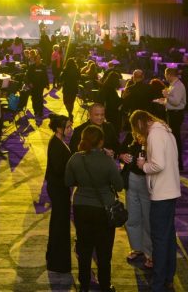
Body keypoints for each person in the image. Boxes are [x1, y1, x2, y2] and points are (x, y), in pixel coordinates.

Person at [65, 125, 123, 292]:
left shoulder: (75, 158)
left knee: (84, 247)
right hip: (103, 208)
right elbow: (119, 185)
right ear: (101, 141)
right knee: (104, 251)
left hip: (81, 206)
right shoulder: (107, 161)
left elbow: (68, 181)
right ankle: (105, 285)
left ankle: (84, 285)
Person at [132, 109, 180, 292]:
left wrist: (143, 166)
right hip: (171, 190)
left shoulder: (155, 134)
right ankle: (168, 276)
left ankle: (158, 283)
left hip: (162, 193)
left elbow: (159, 164)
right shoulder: (166, 131)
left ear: (139, 124)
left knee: (159, 239)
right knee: (167, 237)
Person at [119, 115, 153, 268]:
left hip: (147, 181)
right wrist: (122, 156)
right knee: (132, 216)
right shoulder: (130, 136)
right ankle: (137, 248)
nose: (137, 129)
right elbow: (120, 151)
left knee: (148, 218)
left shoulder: (152, 137)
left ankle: (150, 253)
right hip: (131, 178)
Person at [45, 114, 73, 273]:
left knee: (59, 221)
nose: (70, 129)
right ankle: (57, 261)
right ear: (58, 129)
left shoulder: (58, 141)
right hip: (58, 187)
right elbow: (57, 168)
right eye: (67, 127)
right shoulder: (55, 144)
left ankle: (54, 257)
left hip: (59, 187)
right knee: (59, 222)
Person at [160, 67, 186, 169]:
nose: (165, 77)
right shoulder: (173, 85)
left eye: (166, 75)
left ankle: (179, 164)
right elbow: (173, 100)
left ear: (170, 75)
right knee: (173, 139)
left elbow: (176, 102)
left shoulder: (178, 86)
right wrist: (164, 100)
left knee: (175, 139)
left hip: (176, 114)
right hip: (172, 113)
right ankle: (175, 162)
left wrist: (166, 96)